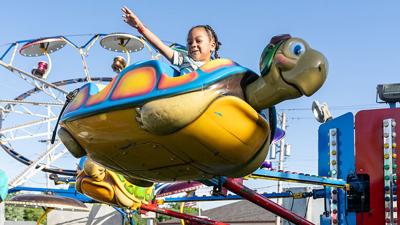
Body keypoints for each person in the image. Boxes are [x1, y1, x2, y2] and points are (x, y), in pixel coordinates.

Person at [122, 6, 221, 74]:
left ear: (212, 45)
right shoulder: (184, 60)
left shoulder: (218, 67)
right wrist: (140, 27)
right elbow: (160, 46)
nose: (193, 45)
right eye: (189, 42)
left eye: (198, 41)